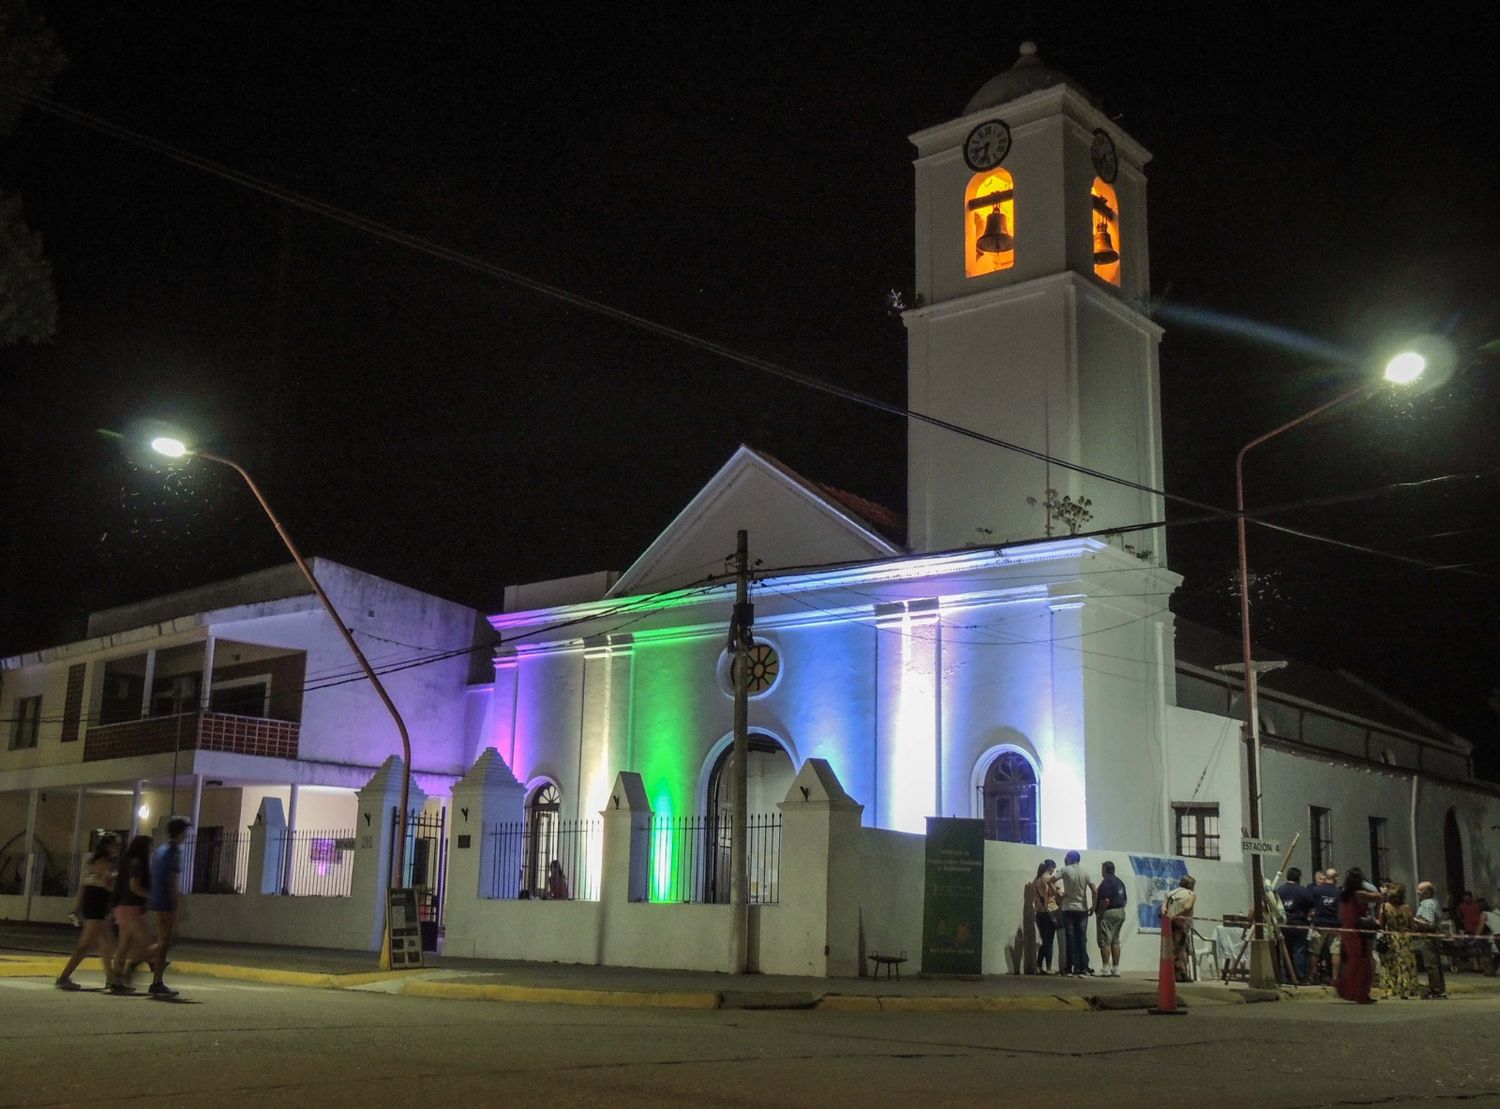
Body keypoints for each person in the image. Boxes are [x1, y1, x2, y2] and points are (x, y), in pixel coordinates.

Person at [56, 834, 121, 991]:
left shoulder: (93, 861)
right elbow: (107, 884)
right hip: (97, 903)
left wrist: (77, 908)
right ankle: (64, 977)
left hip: (94, 903)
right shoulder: (102, 862)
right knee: (86, 944)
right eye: (116, 845)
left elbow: (83, 887)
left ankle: (112, 979)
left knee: (106, 942)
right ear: (107, 846)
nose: (118, 848)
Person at [147, 816, 191, 998]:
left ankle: (153, 972)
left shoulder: (160, 850)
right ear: (180, 833)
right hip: (165, 901)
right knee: (165, 942)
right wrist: (177, 907)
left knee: (164, 940)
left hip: (156, 898)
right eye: (186, 833)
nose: (187, 836)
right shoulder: (174, 852)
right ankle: (155, 978)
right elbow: (172, 882)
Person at [111, 834, 154, 991]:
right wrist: (151, 896)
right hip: (130, 909)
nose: (152, 850)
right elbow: (134, 887)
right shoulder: (137, 864)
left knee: (123, 946)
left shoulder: (128, 862)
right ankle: (128, 972)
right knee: (147, 946)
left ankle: (116, 981)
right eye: (150, 847)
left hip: (122, 907)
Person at [1334, 867, 1382, 1004]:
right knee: (1362, 963)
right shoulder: (1359, 894)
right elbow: (1379, 897)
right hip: (1358, 932)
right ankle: (1360, 993)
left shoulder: (1344, 895)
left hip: (1347, 931)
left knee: (1353, 962)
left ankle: (1350, 990)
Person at [1056, 850, 1095, 976]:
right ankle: (1083, 967)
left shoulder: (1064, 870)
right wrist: (1093, 906)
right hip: (1082, 909)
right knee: (1081, 939)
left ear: (1069, 858)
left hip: (1068, 908)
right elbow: (1094, 889)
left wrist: (1059, 893)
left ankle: (1069, 968)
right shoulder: (1085, 871)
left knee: (1070, 938)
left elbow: (1050, 881)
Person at [1275, 866, 1315, 984]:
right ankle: (1300, 976)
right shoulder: (1304, 891)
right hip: (1300, 925)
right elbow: (1312, 909)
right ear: (1298, 878)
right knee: (1299, 951)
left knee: (1286, 950)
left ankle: (1288, 976)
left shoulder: (1279, 891)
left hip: (1284, 925)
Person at [1379, 883, 1417, 999]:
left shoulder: (1385, 907)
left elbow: (1381, 923)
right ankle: (1404, 990)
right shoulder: (1406, 908)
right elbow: (1412, 925)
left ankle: (1390, 990)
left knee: (1389, 964)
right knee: (1404, 964)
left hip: (1390, 936)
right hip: (1405, 937)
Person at [1413, 881, 1447, 999]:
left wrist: (1415, 920)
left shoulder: (1427, 904)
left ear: (1427, 892)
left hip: (1428, 937)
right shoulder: (1434, 902)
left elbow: (1430, 923)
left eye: (1420, 890)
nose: (1418, 892)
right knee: (1436, 964)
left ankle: (1435, 990)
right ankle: (1440, 989)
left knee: (1431, 964)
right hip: (1433, 936)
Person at [1027, 859, 1062, 974]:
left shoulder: (1036, 880)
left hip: (1039, 912)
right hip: (1049, 911)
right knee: (1049, 941)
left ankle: (1038, 966)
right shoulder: (1048, 879)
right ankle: (1048, 967)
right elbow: (1050, 895)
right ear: (1051, 868)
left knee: (1045, 940)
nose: (1054, 871)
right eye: (1054, 869)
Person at [1094, 860, 1127, 977]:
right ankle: (1116, 968)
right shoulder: (1120, 882)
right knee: (1115, 940)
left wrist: (1099, 912)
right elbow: (1124, 900)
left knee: (1105, 940)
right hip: (1120, 911)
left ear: (1105, 870)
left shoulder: (1106, 883)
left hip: (1109, 912)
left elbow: (1105, 900)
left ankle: (1105, 967)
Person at [1164, 875, 1196, 982]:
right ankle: (1182, 973)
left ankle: (1174, 973)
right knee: (1182, 950)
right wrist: (1177, 915)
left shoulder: (1170, 893)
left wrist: (1169, 916)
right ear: (1190, 885)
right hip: (1182, 925)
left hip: (1169, 925)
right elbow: (1187, 907)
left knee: (1172, 949)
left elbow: (1163, 908)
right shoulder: (1190, 894)